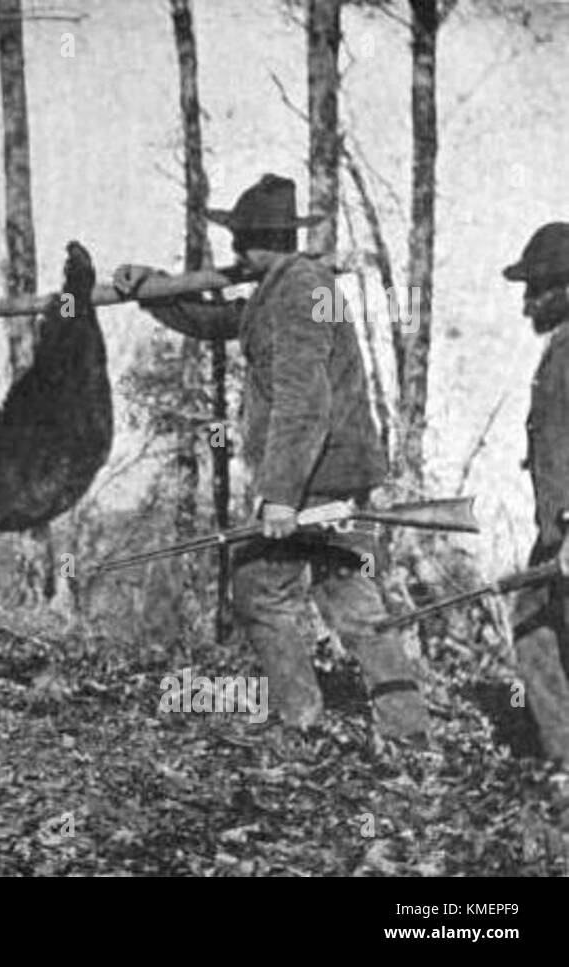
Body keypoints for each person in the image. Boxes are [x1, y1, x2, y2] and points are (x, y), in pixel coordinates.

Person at [116, 173, 430, 743]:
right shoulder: (289, 284)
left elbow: (304, 401)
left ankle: (302, 720)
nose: (232, 252)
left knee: (259, 586)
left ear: (248, 240)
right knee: (351, 598)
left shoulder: (297, 288)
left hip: (316, 480)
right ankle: (409, 733)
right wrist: (152, 289)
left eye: (237, 240)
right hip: (337, 475)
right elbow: (217, 321)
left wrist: (282, 496)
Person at [503, 222, 569, 764]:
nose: (527, 305)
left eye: (538, 289)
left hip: (566, 533)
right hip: (557, 533)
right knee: (534, 627)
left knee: (533, 628)